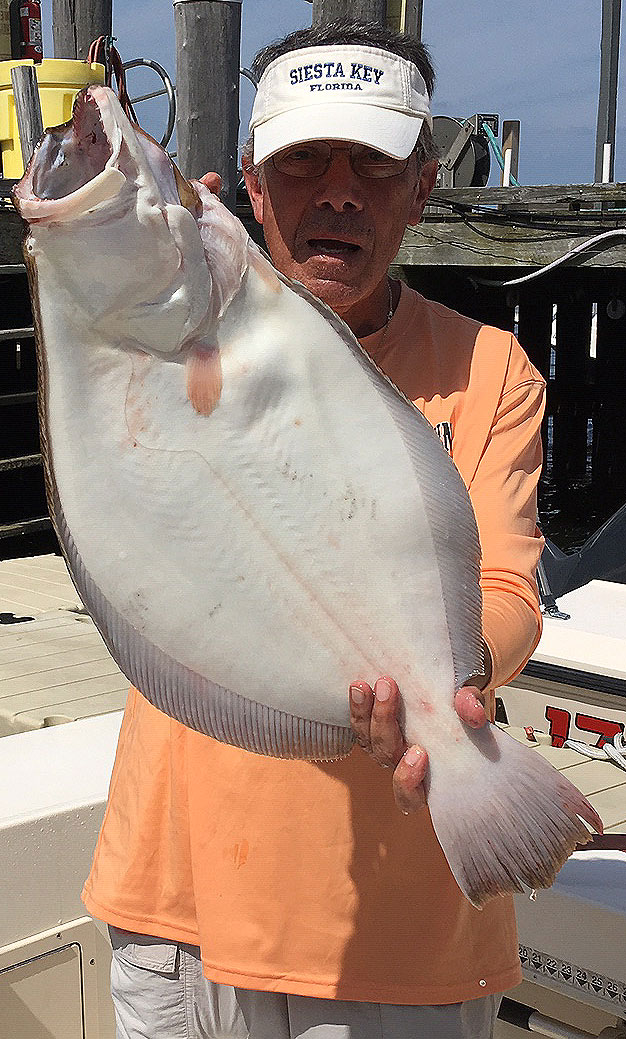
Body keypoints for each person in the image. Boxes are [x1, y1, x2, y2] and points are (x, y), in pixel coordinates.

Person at [82, 19, 546, 1039]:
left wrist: (448, 683)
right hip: (172, 898)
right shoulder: (169, 331)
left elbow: (510, 592)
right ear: (250, 184)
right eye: (301, 162)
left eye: (370, 163)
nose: (336, 191)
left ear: (419, 187)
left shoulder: (488, 370)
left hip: (388, 940)